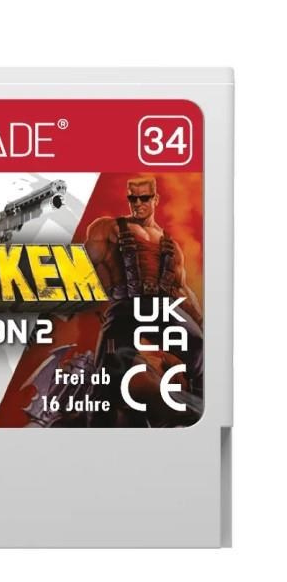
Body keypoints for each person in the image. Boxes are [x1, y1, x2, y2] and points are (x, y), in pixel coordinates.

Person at [83, 175, 203, 424]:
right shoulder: (109, 228)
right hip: (125, 307)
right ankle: (97, 426)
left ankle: (200, 408)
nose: (137, 203)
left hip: (163, 307)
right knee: (106, 372)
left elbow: (181, 289)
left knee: (198, 343)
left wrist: (201, 321)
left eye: (144, 198)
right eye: (132, 198)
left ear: (155, 199)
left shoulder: (171, 245)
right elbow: (82, 268)